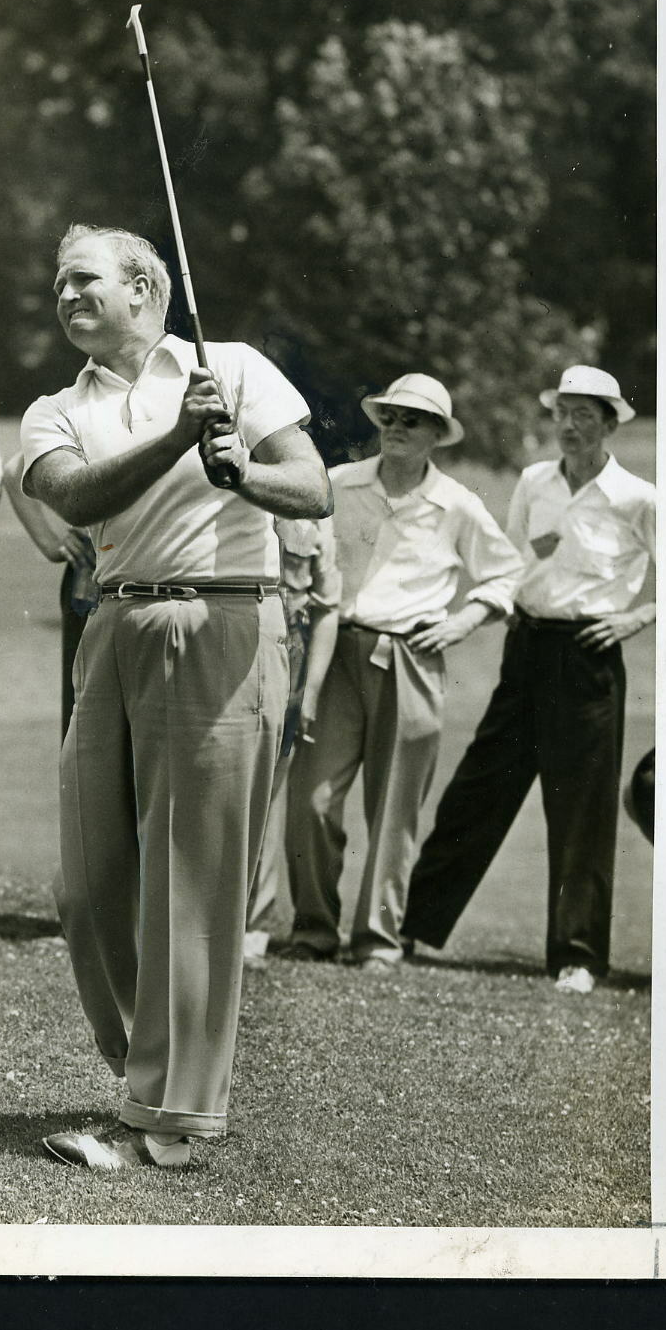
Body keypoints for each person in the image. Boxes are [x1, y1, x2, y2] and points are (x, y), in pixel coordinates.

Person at [20, 223, 330, 1171]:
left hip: (226, 621)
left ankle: (170, 1116)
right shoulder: (49, 409)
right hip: (115, 625)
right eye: (60, 285)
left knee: (190, 886)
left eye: (85, 281)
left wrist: (241, 469)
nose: (68, 296)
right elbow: (76, 499)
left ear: (146, 288)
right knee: (88, 882)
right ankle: (150, 1065)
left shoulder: (230, 366)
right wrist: (178, 437)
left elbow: (311, 489)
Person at [402, 366, 656, 995]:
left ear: (610, 423)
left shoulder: (637, 498)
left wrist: (636, 618)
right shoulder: (534, 481)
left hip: (589, 658)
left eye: (584, 415)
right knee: (477, 790)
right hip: (527, 650)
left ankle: (576, 957)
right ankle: (412, 929)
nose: (569, 426)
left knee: (581, 812)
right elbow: (513, 562)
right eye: (562, 413)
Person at [283, 374, 523, 967]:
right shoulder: (338, 484)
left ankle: (377, 941)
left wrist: (461, 623)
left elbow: (505, 574)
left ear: (438, 435)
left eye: (412, 420)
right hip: (335, 653)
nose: (396, 427)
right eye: (389, 416)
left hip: (412, 659)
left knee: (394, 812)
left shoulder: (458, 504)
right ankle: (313, 930)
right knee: (311, 802)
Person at [243, 515, 342, 968]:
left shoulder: (312, 508)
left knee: (267, 794)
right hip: (231, 640)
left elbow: (326, 607)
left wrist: (312, 692)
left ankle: (252, 928)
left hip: (290, 651)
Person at [2, 449, 98, 736]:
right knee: (86, 713)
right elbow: (15, 470)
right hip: (92, 574)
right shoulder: (84, 407)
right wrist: (51, 543)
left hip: (153, 576)